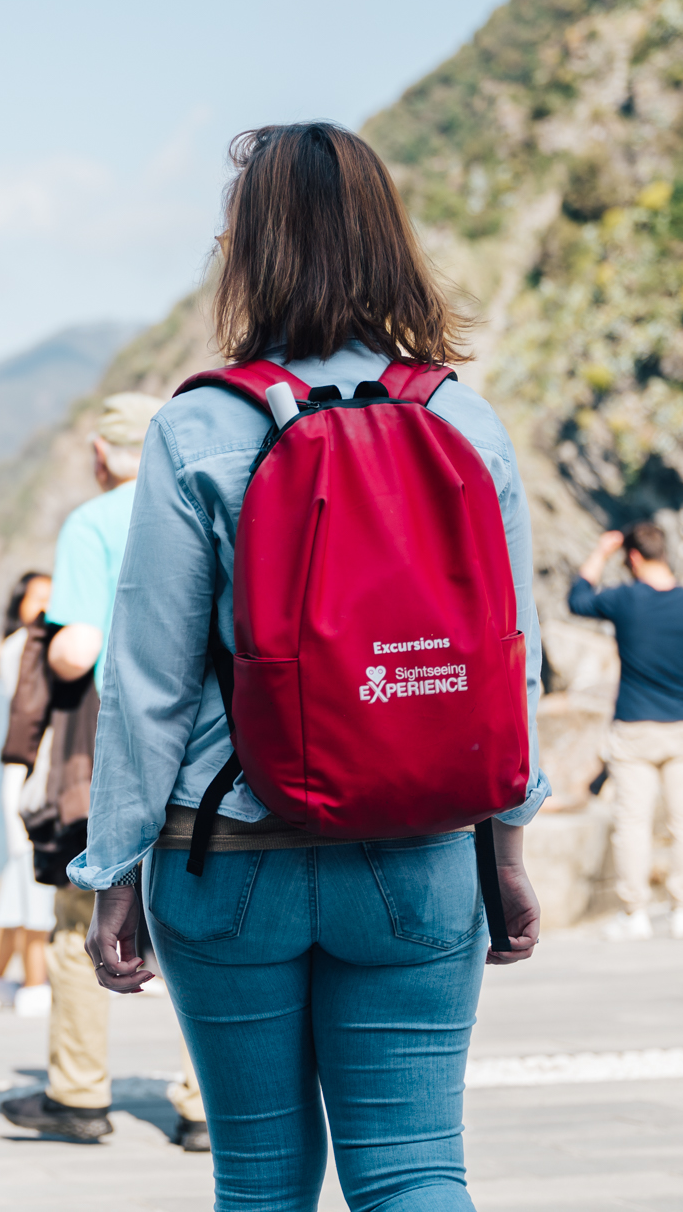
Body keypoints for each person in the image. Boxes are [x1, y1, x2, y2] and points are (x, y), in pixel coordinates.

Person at [70, 122, 548, 1209]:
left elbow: (145, 682)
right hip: (421, 852)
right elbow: (509, 667)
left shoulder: (198, 425)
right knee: (415, 1168)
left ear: (247, 253)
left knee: (261, 1178)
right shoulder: (462, 419)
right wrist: (506, 850)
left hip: (226, 855)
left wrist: (110, 876)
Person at [0, 390, 211, 1153]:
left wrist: (45, 642)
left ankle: (79, 1094)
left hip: (109, 750)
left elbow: (78, 649)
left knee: (74, 917)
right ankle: (202, 1105)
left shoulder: (93, 520)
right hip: (207, 752)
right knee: (201, 923)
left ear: (100, 455)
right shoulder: (205, 495)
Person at [572, 523, 683, 941]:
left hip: (634, 727)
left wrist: (600, 550)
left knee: (632, 823)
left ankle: (636, 914)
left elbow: (577, 599)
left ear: (632, 558)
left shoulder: (624, 600)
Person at [0, 571, 55, 1015]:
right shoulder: (26, 647)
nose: (47, 605)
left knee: (19, 881)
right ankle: (34, 982)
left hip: (26, 772)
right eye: (38, 598)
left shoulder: (18, 647)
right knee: (34, 881)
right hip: (33, 774)